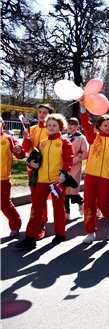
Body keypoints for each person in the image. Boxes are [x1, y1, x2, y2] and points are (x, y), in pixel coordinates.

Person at [15, 114, 74, 248]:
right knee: (36, 208)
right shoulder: (42, 143)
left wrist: (64, 173)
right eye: (49, 125)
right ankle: (30, 238)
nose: (51, 127)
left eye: (54, 125)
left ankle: (60, 233)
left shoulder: (64, 142)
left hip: (57, 181)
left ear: (60, 127)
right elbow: (34, 158)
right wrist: (32, 164)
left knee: (58, 207)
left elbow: (69, 159)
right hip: (41, 180)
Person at [79, 102, 109, 244]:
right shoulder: (93, 137)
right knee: (89, 204)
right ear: (99, 126)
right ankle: (90, 232)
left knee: (103, 204)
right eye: (105, 125)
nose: (108, 128)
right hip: (91, 174)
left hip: (106, 177)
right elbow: (86, 123)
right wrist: (83, 108)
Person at [22, 103, 54, 239]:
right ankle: (38, 222)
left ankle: (42, 223)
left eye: (45, 112)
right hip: (32, 168)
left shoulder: (52, 129)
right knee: (34, 197)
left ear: (50, 115)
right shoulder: (32, 129)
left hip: (45, 169)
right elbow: (26, 149)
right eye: (40, 112)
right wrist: (26, 139)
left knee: (41, 198)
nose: (41, 114)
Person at [0, 117, 26, 238]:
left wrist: (19, 151)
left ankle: (15, 224)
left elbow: (20, 154)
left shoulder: (8, 139)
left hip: (2, 178)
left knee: (4, 205)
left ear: (3, 124)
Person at [64, 118, 88, 220]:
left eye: (73, 124)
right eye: (69, 124)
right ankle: (66, 213)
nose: (70, 126)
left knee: (73, 191)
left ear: (77, 126)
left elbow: (85, 152)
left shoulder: (81, 138)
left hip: (75, 166)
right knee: (64, 191)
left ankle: (80, 202)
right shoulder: (63, 137)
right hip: (64, 166)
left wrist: (76, 158)